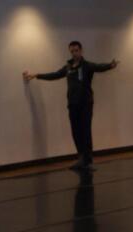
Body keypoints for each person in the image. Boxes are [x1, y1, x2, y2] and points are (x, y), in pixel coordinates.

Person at [24, 41, 118, 170]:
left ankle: (88, 161)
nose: (74, 53)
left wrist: (110, 65)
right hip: (72, 104)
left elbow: (99, 67)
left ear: (81, 50)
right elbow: (55, 75)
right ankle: (81, 158)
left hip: (85, 104)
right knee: (75, 131)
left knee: (85, 131)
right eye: (72, 51)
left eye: (76, 50)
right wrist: (37, 75)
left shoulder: (86, 66)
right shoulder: (68, 67)